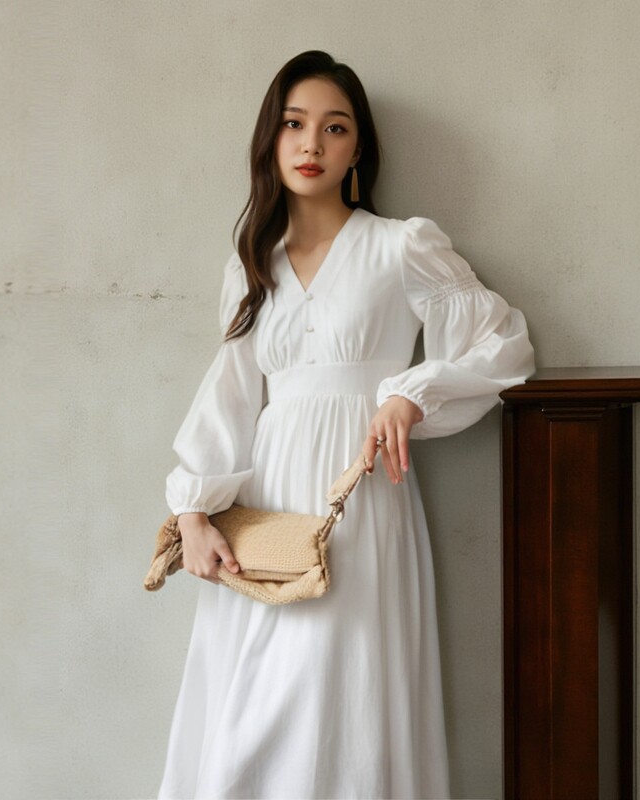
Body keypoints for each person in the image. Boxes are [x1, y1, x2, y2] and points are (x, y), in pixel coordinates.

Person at [157, 50, 534, 800]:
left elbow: (502, 345)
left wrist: (411, 394)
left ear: (357, 149)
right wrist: (192, 510)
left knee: (337, 699)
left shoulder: (401, 245)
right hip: (264, 510)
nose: (312, 144)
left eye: (335, 128)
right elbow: (231, 395)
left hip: (357, 499)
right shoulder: (251, 266)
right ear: (271, 139)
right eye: (294, 125)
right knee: (251, 708)